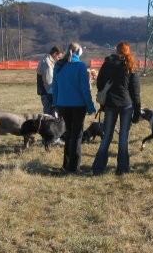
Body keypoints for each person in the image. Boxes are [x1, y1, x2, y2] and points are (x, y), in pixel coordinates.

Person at [92, 41, 141, 176]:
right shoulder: (130, 66)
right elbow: (135, 93)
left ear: (116, 50)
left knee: (107, 136)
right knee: (123, 137)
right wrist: (137, 112)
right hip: (126, 104)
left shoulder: (107, 64)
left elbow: (100, 83)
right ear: (127, 52)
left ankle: (98, 167)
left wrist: (106, 97)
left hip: (110, 104)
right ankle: (122, 168)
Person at [51, 42, 97, 173]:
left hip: (62, 104)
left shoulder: (59, 65)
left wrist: (56, 104)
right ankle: (74, 167)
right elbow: (85, 89)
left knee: (69, 133)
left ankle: (66, 165)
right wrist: (90, 106)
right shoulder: (80, 66)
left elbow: (55, 87)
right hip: (78, 106)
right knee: (76, 136)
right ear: (79, 52)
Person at [36, 46, 62, 116]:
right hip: (48, 94)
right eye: (58, 57)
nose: (59, 59)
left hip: (48, 93)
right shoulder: (47, 63)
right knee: (50, 116)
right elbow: (49, 82)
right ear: (55, 54)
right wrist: (53, 98)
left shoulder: (48, 61)